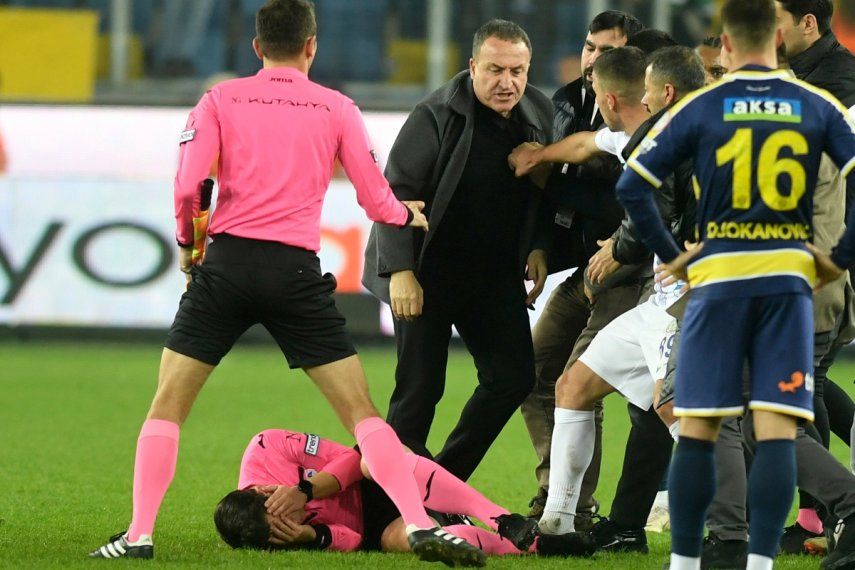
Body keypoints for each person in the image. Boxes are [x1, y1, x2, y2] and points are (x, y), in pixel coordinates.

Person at [89, 2, 486, 566]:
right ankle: (420, 525)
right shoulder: (337, 107)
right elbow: (376, 198)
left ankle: (138, 536)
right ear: (312, 47)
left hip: (224, 266)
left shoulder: (219, 99)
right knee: (363, 415)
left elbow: (187, 186)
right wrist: (406, 217)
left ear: (256, 48)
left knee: (168, 407)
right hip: (295, 272)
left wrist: (189, 245)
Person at [615, 0, 855, 568]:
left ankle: (687, 561)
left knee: (699, 427)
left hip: (719, 281)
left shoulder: (702, 105)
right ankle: (760, 562)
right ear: (777, 35)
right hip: (787, 289)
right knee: (774, 431)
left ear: (724, 43)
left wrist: (674, 255)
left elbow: (632, 187)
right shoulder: (817, 104)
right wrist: (835, 262)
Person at [362, 19, 554, 483]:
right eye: (494, 70)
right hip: (428, 273)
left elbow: (548, 192)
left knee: (512, 378)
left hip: (493, 277)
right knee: (419, 394)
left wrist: (540, 246)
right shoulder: (435, 114)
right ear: (472, 66)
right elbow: (395, 195)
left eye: (517, 70)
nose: (506, 82)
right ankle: (383, 507)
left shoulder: (541, 112)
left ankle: (441, 483)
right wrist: (401, 271)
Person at [517, 9, 643, 525]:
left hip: (634, 273)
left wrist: (622, 243)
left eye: (605, 51)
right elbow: (585, 146)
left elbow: (644, 197)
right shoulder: (570, 104)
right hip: (587, 269)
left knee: (584, 385)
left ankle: (573, 510)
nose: (592, 60)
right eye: (589, 47)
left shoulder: (657, 131)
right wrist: (542, 156)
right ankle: (561, 496)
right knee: (533, 372)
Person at [213, 428, 589, 557]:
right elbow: (355, 538)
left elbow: (352, 456)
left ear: (262, 490)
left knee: (376, 455)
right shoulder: (279, 534)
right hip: (380, 526)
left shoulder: (267, 447)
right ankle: (539, 546)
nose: (296, 519)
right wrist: (314, 536)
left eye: (283, 510)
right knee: (418, 541)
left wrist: (304, 491)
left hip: (378, 478)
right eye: (287, 526)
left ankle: (499, 517)